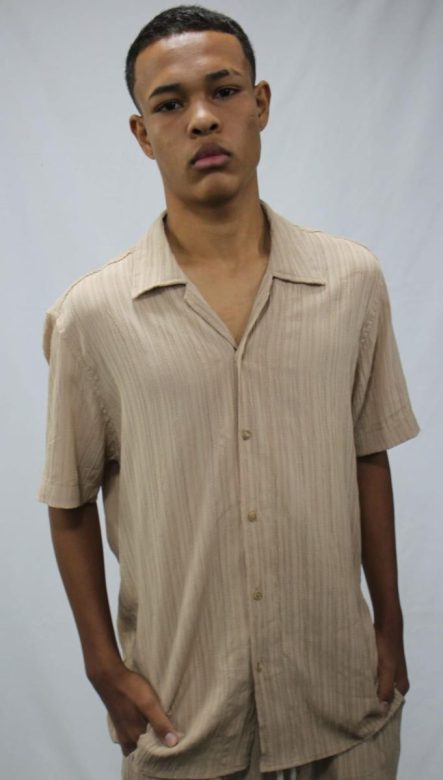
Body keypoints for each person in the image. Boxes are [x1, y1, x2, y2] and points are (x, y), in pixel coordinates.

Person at [36, 5, 420, 780]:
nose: (203, 118)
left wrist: (390, 627)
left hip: (344, 709)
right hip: (185, 722)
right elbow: (70, 502)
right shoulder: (93, 316)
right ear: (142, 134)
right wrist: (103, 667)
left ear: (260, 102)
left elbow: (366, 458)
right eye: (170, 103)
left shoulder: (350, 282)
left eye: (223, 90)